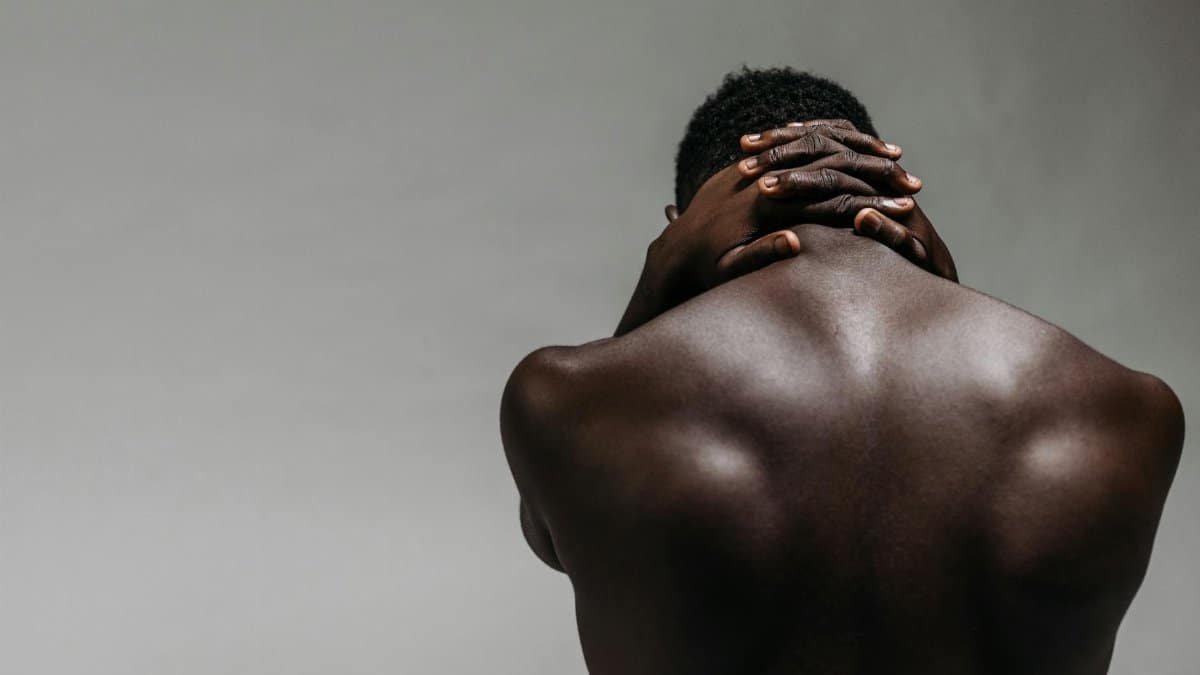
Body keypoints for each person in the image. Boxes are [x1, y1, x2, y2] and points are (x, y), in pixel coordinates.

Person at [500, 67, 1183, 674]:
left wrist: (655, 286)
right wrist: (946, 288)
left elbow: (558, 540)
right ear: (896, 204)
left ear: (684, 227)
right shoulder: (1129, 412)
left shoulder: (560, 400)